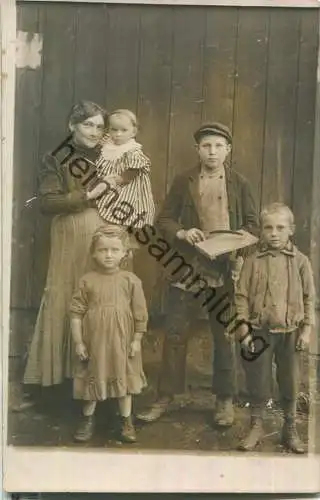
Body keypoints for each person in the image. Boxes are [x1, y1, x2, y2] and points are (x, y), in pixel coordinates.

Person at [137, 122, 258, 426]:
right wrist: (182, 232)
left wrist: (239, 240)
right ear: (197, 150)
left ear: (228, 149)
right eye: (206, 146)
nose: (212, 152)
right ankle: (166, 396)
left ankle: (224, 400)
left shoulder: (239, 183)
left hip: (225, 270)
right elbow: (164, 220)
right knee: (175, 332)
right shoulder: (184, 181)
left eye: (218, 146)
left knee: (225, 336)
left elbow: (254, 225)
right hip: (187, 268)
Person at [22, 101, 109, 404]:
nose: (95, 132)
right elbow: (47, 203)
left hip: (105, 236)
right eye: (88, 125)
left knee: (99, 298)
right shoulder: (56, 157)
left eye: (100, 126)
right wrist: (86, 196)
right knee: (66, 297)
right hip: (71, 234)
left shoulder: (109, 154)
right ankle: (58, 382)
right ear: (72, 126)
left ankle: (96, 381)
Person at [234, 202, 315, 453]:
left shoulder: (301, 262)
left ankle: (289, 429)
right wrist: (244, 329)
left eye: (281, 228)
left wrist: (307, 330)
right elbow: (241, 296)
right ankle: (256, 426)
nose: (274, 233)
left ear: (291, 229)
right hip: (260, 331)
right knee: (258, 380)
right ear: (261, 231)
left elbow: (310, 298)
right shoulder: (252, 260)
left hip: (291, 333)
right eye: (268, 228)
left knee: (290, 381)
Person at [70, 225, 148, 443]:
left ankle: (126, 421)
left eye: (114, 250)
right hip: (94, 343)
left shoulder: (130, 280)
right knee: (92, 378)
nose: (109, 255)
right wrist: (79, 343)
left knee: (124, 382)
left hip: (122, 344)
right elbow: (76, 314)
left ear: (124, 253)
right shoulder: (87, 280)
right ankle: (87, 419)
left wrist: (137, 340)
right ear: (94, 252)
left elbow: (140, 314)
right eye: (103, 250)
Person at [92, 108, 155, 261]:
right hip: (111, 188)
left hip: (129, 190)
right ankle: (115, 247)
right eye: (114, 130)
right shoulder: (109, 146)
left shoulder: (132, 151)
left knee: (127, 215)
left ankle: (126, 249)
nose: (118, 134)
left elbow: (134, 170)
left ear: (133, 132)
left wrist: (121, 178)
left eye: (123, 130)